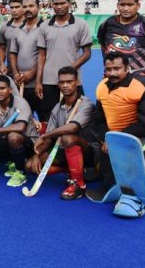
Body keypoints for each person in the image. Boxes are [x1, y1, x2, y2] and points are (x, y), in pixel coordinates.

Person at [89, 52, 145, 196]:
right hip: (115, 135)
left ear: (127, 68)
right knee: (108, 170)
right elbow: (99, 118)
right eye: (108, 69)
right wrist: (106, 138)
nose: (112, 73)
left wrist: (116, 138)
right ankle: (114, 180)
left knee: (132, 163)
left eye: (117, 69)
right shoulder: (101, 87)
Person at [26, 66, 96, 200]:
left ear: (77, 82)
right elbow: (50, 137)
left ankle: (78, 184)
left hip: (88, 151)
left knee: (67, 137)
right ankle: (72, 170)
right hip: (64, 149)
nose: (65, 85)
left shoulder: (85, 103)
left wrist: (46, 135)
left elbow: (72, 128)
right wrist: (37, 154)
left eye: (69, 82)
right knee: (30, 166)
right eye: (62, 82)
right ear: (58, 84)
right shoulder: (57, 108)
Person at [35, 0, 92, 123]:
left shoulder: (81, 24)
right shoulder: (44, 26)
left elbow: (87, 54)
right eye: (56, 4)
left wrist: (69, 70)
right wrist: (38, 81)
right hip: (49, 81)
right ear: (51, 5)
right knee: (48, 117)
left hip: (72, 79)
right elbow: (41, 56)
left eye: (63, 3)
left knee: (76, 115)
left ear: (69, 4)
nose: (59, 7)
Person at [97, 0, 145, 77]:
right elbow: (103, 48)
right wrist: (110, 68)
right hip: (112, 77)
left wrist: (144, 71)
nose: (126, 8)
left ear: (138, 5)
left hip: (138, 79)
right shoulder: (106, 24)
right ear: (117, 5)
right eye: (122, 4)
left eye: (130, 5)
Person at [10, 0, 44, 121]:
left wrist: (33, 72)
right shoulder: (17, 31)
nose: (27, 9)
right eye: (25, 6)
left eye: (31, 6)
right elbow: (13, 53)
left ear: (39, 7)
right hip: (21, 83)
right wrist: (15, 73)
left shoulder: (44, 28)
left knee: (43, 117)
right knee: (22, 118)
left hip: (40, 84)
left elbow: (44, 55)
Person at [0, 0, 25, 75]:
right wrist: (2, 64)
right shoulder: (4, 27)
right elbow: (2, 48)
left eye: (17, 7)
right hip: (10, 71)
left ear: (24, 7)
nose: (14, 10)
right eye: (12, 7)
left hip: (30, 72)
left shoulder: (33, 26)